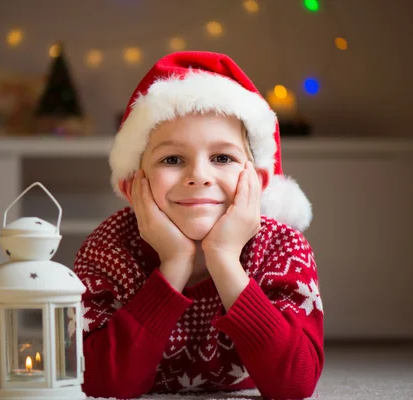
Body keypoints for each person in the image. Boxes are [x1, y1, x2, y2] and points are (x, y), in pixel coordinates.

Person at [73, 51, 324, 400]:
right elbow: (99, 383)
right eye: (172, 159)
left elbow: (295, 384)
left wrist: (223, 260)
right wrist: (174, 265)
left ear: (260, 180)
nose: (199, 177)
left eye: (223, 158)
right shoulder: (108, 249)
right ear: (133, 184)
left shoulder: (283, 249)